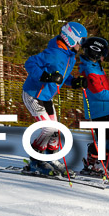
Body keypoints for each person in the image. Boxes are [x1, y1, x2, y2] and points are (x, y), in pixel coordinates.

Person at [22, 22, 87, 176]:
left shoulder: (69, 55)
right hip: (33, 94)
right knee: (49, 128)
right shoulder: (54, 52)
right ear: (71, 39)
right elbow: (30, 63)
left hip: (46, 96)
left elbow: (61, 75)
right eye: (81, 41)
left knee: (56, 129)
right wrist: (46, 76)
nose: (81, 45)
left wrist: (74, 82)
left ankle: (52, 159)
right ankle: (35, 160)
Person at [78, 36, 109, 175]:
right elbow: (100, 93)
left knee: (108, 136)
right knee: (103, 137)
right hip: (97, 110)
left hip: (105, 108)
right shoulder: (89, 70)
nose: (104, 57)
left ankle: (101, 162)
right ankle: (93, 163)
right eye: (103, 53)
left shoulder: (96, 67)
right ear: (95, 52)